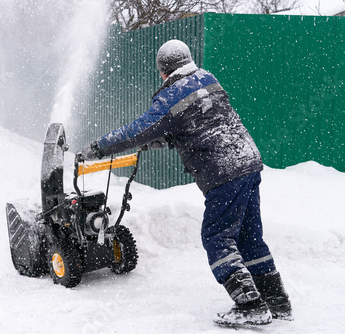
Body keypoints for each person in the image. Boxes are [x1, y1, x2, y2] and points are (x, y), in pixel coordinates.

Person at [79, 39, 292, 326]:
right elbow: (202, 120)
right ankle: (277, 302)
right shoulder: (207, 79)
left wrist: (99, 147)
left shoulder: (171, 96)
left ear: (164, 71)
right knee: (249, 237)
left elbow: (138, 131)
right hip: (247, 161)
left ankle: (251, 305)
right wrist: (167, 137)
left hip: (223, 171)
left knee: (217, 237)